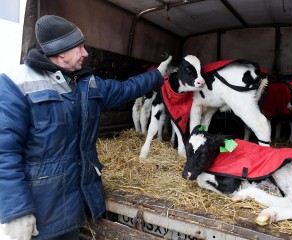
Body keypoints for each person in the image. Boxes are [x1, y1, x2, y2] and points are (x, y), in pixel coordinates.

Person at [0, 15, 171, 240]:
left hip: (73, 209)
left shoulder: (85, 83)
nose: (86, 53)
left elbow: (125, 89)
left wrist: (157, 75)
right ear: (62, 52)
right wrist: (16, 212)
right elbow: (4, 153)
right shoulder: (16, 84)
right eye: (79, 48)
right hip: (40, 215)